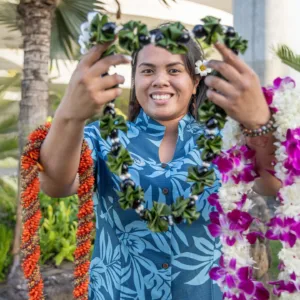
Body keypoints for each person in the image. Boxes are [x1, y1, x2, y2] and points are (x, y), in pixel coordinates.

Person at [39, 27, 281, 299]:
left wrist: (259, 123)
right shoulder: (102, 137)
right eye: (147, 71)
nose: (160, 80)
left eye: (174, 70)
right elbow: (56, 183)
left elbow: (272, 184)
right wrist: (69, 115)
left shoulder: (226, 141)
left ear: (195, 82)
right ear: (135, 79)